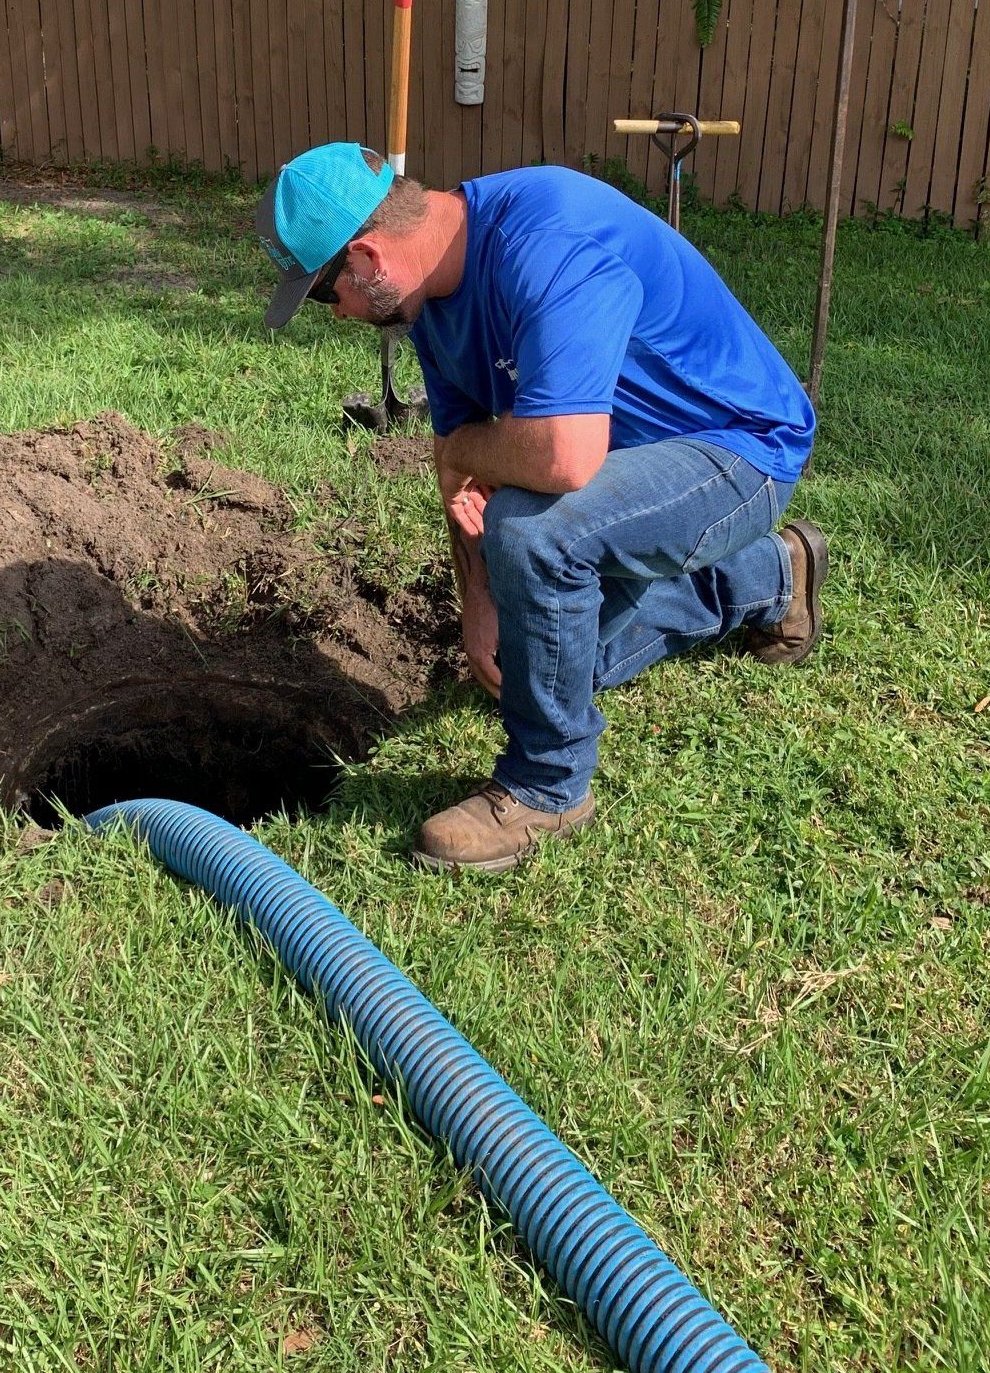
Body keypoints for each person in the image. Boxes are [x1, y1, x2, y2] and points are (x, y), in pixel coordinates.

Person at [257, 142, 825, 875]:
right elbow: (456, 461)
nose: (333, 313)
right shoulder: (432, 301)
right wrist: (480, 607)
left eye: (324, 293)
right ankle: (769, 575)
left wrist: (470, 457)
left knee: (533, 529)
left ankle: (547, 787)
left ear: (367, 258)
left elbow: (562, 458)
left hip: (737, 452)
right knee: (545, 666)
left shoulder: (547, 240)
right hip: (633, 464)